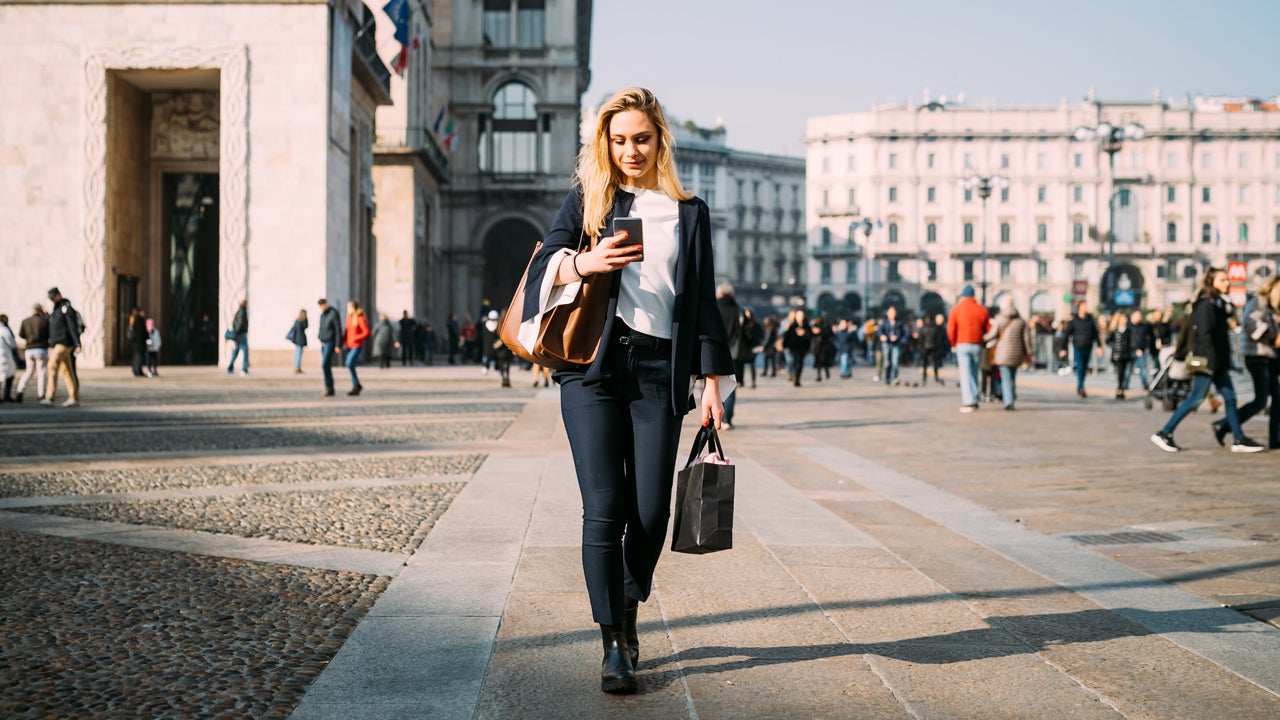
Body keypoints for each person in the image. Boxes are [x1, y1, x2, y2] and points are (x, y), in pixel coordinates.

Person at [512, 87, 733, 694]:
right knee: (604, 509)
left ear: (659, 138)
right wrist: (587, 263)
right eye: (618, 140)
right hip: (594, 370)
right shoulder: (591, 198)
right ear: (604, 145)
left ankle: (628, 604)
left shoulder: (689, 211)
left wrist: (714, 382)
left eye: (641, 138)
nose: (630, 150)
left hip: (660, 374)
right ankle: (615, 638)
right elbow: (546, 260)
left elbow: (702, 302)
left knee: (652, 511)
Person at [1151, 268, 1264, 453]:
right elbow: (1203, 335)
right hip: (1209, 362)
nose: (1227, 283)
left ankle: (1238, 438)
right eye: (1222, 280)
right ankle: (1165, 432)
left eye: (1227, 280)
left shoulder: (1218, 304)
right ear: (1211, 283)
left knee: (1230, 398)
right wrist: (1211, 362)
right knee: (1195, 399)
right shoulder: (1206, 305)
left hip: (1217, 362)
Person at [1213, 278, 1280, 449]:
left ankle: (1275, 438)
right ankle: (1225, 424)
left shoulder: (1271, 306)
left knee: (1277, 398)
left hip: (1269, 356)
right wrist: (1274, 335)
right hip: (1256, 355)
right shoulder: (1259, 301)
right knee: (1261, 401)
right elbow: (1250, 324)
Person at [947, 284, 990, 413]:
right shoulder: (982, 310)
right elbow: (987, 328)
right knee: (975, 372)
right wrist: (981, 340)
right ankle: (975, 398)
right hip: (977, 344)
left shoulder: (956, 309)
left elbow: (951, 329)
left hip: (962, 343)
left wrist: (953, 343)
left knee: (965, 374)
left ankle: (968, 402)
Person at [984, 296, 1033, 410]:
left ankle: (1009, 401)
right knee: (1012, 376)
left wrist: (981, 338)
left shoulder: (999, 319)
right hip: (1017, 354)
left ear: (1002, 306)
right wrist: (1028, 353)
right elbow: (1026, 339)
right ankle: (1011, 396)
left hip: (1002, 354)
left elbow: (991, 335)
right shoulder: (1021, 321)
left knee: (1005, 377)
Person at [42, 287, 81, 407]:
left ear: (58, 295)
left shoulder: (66, 308)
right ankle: (73, 397)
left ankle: (49, 397)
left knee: (51, 366)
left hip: (64, 343)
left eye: (53, 297)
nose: (52, 300)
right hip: (59, 343)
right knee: (67, 370)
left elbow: (72, 326)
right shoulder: (57, 309)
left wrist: (77, 343)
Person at [1061, 302, 1101, 398]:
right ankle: (1081, 387)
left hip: (1088, 347)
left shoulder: (1090, 320)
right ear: (1079, 308)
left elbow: (1095, 334)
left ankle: (1080, 386)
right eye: (1084, 306)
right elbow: (1066, 335)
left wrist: (1099, 346)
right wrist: (1063, 348)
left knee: (1084, 368)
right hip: (1078, 347)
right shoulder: (1074, 321)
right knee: (1080, 367)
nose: (1086, 308)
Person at [716, 283, 742, 428]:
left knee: (713, 384)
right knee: (731, 384)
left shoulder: (714, 307)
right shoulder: (738, 310)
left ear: (718, 294)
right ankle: (727, 418)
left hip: (715, 351)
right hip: (733, 352)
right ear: (732, 295)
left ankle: (716, 416)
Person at [15, 304, 49, 403]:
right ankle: (41, 394)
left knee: (28, 371)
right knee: (41, 372)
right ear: (40, 310)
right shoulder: (44, 321)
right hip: (41, 349)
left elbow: (21, 335)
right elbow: (49, 333)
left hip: (29, 349)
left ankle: (20, 390)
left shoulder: (25, 321)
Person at [316, 298, 342, 397]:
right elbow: (321, 327)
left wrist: (337, 344)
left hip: (330, 342)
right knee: (326, 366)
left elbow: (337, 329)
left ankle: (328, 386)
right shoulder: (322, 315)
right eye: (320, 305)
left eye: (323, 304)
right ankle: (330, 388)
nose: (322, 307)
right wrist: (319, 336)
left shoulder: (333, 313)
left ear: (326, 304)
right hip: (323, 341)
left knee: (324, 364)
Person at [1105, 312, 1134, 400]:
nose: (1125, 320)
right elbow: (1108, 341)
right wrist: (1114, 346)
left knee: (1124, 373)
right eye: (1123, 318)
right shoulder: (1114, 330)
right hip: (1117, 355)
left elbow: (1130, 342)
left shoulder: (1128, 330)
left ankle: (1120, 389)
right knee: (1120, 372)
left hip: (1126, 355)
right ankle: (1120, 389)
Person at [344, 301, 370, 395]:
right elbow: (346, 332)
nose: (347, 309)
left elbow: (366, 332)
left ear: (353, 308)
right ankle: (356, 385)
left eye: (348, 307)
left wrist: (356, 337)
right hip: (349, 345)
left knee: (349, 363)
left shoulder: (360, 318)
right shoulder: (349, 318)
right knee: (350, 365)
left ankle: (356, 384)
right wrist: (341, 343)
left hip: (357, 345)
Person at [878, 306, 908, 386]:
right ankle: (887, 378)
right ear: (887, 313)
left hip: (896, 344)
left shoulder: (899, 323)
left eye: (894, 312)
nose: (892, 314)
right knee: (887, 362)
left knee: (895, 361)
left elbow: (905, 334)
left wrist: (899, 339)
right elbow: (879, 331)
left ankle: (895, 378)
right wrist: (882, 336)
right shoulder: (884, 322)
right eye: (890, 312)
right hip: (886, 344)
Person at [782, 308, 811, 387]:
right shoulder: (792, 326)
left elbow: (810, 335)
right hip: (794, 347)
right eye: (798, 315)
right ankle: (795, 377)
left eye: (801, 315)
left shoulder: (806, 326)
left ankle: (797, 378)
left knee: (800, 363)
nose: (800, 317)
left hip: (803, 347)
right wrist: (785, 345)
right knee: (795, 362)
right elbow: (787, 337)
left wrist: (804, 333)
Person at [919, 313, 946, 386]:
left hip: (926, 348)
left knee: (925, 364)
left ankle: (924, 378)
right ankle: (936, 377)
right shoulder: (935, 328)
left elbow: (921, 340)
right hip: (934, 347)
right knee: (935, 364)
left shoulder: (923, 328)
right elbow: (939, 339)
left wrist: (921, 348)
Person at [1128, 310, 1153, 391]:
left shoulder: (1144, 326)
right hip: (1129, 351)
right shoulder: (1128, 326)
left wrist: (1145, 347)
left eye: (1140, 316)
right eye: (1137, 315)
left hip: (1141, 351)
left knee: (1143, 368)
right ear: (1132, 316)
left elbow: (1149, 338)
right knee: (1127, 369)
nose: (1139, 317)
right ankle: (1124, 385)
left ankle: (1145, 384)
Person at [739, 309, 763, 388]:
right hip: (744, 347)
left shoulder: (755, 324)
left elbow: (760, 334)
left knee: (752, 364)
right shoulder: (741, 325)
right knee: (741, 364)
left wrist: (758, 343)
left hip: (753, 347)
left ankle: (753, 381)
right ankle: (741, 381)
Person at [227, 299, 249, 376]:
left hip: (238, 334)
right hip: (241, 334)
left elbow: (234, 322)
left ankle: (230, 367)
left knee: (236, 350)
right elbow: (240, 323)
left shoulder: (239, 310)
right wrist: (239, 331)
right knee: (245, 350)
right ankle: (244, 369)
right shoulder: (242, 311)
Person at [128, 308, 149, 377]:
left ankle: (137, 370)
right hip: (139, 343)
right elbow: (141, 332)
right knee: (139, 357)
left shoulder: (135, 320)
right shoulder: (139, 320)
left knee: (137, 357)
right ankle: (137, 371)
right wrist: (147, 337)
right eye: (142, 312)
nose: (144, 313)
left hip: (136, 343)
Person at [0, 314, 16, 401]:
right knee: (9, 375)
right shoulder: (4, 330)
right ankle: (7, 395)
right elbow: (12, 344)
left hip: (3, 357)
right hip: (4, 356)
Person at [288, 309, 308, 373]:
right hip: (301, 339)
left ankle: (296, 367)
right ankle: (297, 368)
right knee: (299, 354)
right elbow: (306, 326)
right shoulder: (303, 321)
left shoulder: (297, 320)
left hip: (296, 339)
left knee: (297, 354)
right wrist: (306, 319)